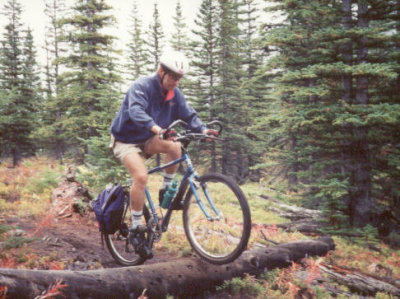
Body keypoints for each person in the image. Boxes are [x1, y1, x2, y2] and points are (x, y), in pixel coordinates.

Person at [110, 50, 217, 232]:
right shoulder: (142, 86)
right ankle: (136, 226)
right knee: (141, 177)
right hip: (125, 140)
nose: (176, 82)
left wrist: (203, 129)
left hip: (148, 138)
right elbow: (136, 112)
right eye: (173, 77)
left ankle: (165, 192)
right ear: (161, 72)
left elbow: (189, 115)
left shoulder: (175, 94)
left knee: (176, 146)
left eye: (179, 79)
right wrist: (159, 130)